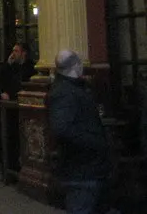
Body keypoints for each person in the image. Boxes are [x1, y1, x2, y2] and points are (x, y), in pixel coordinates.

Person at [49, 50, 113, 214]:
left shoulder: (69, 88)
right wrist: (95, 143)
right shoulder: (66, 92)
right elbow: (63, 129)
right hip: (82, 169)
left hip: (85, 167)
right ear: (77, 66)